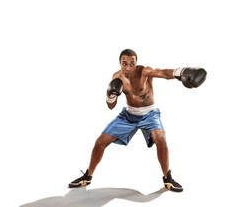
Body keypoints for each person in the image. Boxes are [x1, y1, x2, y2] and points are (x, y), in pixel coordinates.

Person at [68, 49, 206, 192]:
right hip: (128, 116)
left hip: (150, 115)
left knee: (161, 139)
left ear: (136, 63)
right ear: (120, 63)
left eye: (132, 63)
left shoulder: (145, 72)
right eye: (124, 63)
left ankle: (167, 178)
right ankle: (87, 176)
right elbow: (111, 106)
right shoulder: (117, 77)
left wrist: (181, 71)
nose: (128, 67)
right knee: (100, 142)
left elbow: (163, 73)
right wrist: (111, 96)